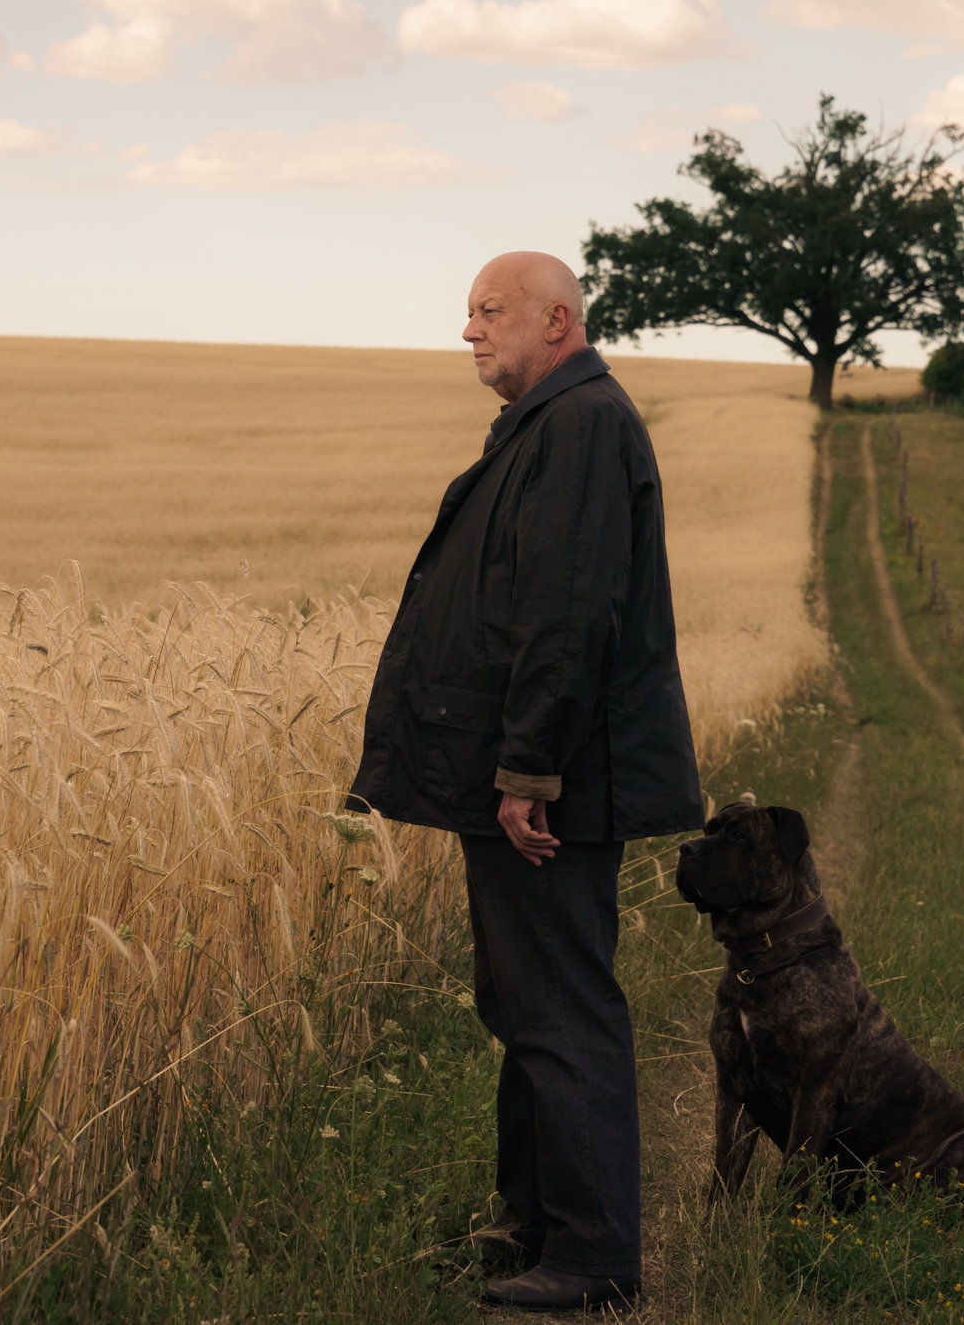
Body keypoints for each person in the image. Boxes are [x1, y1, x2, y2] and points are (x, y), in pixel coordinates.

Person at [344, 251, 705, 1312]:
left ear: (557, 320)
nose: (469, 331)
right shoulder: (555, 424)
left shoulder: (583, 426)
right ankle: (531, 1226)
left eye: (487, 312)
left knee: (559, 1005)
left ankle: (595, 1258)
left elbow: (565, 610)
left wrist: (528, 771)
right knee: (523, 1000)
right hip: (534, 772)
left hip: (555, 781)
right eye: (467, 314)